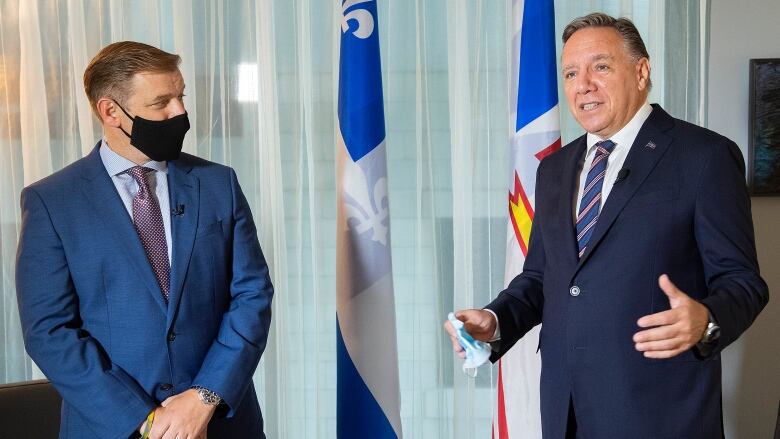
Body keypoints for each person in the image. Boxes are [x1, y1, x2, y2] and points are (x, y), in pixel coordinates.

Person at [445, 13, 768, 439]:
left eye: (600, 66)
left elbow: (743, 282)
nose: (583, 85)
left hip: (660, 415)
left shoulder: (704, 157)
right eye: (571, 73)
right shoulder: (554, 169)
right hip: (566, 412)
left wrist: (706, 320)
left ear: (641, 70)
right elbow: (545, 277)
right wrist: (495, 318)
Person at [15, 41, 273, 439]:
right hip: (111, 428)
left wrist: (203, 398)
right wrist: (150, 422)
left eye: (181, 96)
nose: (180, 112)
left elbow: (252, 295)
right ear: (110, 111)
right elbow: (50, 331)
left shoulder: (218, 184)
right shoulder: (52, 202)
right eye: (162, 102)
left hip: (221, 425)